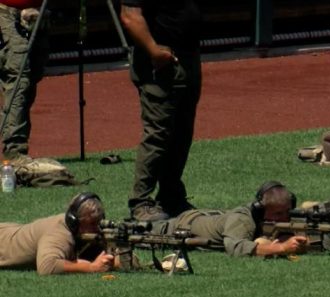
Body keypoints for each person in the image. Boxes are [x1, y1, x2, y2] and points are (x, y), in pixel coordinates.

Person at [120, 0, 202, 222]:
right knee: (158, 133)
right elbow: (130, 16)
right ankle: (140, 202)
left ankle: (171, 196)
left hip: (188, 57)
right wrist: (154, 51)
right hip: (160, 62)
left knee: (182, 134)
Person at [150, 181, 308, 258]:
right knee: (139, 232)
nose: (285, 217)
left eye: (287, 211)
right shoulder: (243, 219)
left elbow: (325, 240)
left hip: (212, 216)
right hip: (180, 226)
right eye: (278, 214)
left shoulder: (288, 216)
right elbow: (236, 247)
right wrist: (281, 248)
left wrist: (305, 242)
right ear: (261, 210)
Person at [0, 192, 114, 275]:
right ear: (74, 220)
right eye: (92, 224)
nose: (97, 229)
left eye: (99, 223)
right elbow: (47, 266)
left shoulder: (79, 231)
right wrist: (91, 267)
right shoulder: (59, 234)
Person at [0, 0, 49, 159]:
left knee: (32, 78)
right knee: (19, 78)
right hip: (6, 12)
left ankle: (17, 144)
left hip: (38, 13)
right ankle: (14, 149)